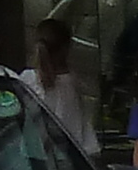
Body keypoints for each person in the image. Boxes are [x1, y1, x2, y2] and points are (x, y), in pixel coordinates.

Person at [27, 14, 93, 150]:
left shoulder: (26, 80)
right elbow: (83, 132)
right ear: (66, 48)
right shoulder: (73, 84)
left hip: (35, 155)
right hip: (69, 156)